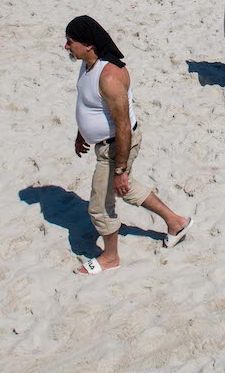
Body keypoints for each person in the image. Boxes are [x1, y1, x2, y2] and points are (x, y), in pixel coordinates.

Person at [65, 16, 193, 274]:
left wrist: (120, 168)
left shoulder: (109, 77)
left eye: (70, 42)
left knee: (100, 206)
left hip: (117, 146)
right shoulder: (87, 64)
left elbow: (123, 127)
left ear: (89, 45)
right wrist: (83, 134)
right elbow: (89, 104)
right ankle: (176, 221)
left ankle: (110, 258)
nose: (66, 47)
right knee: (125, 188)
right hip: (105, 143)